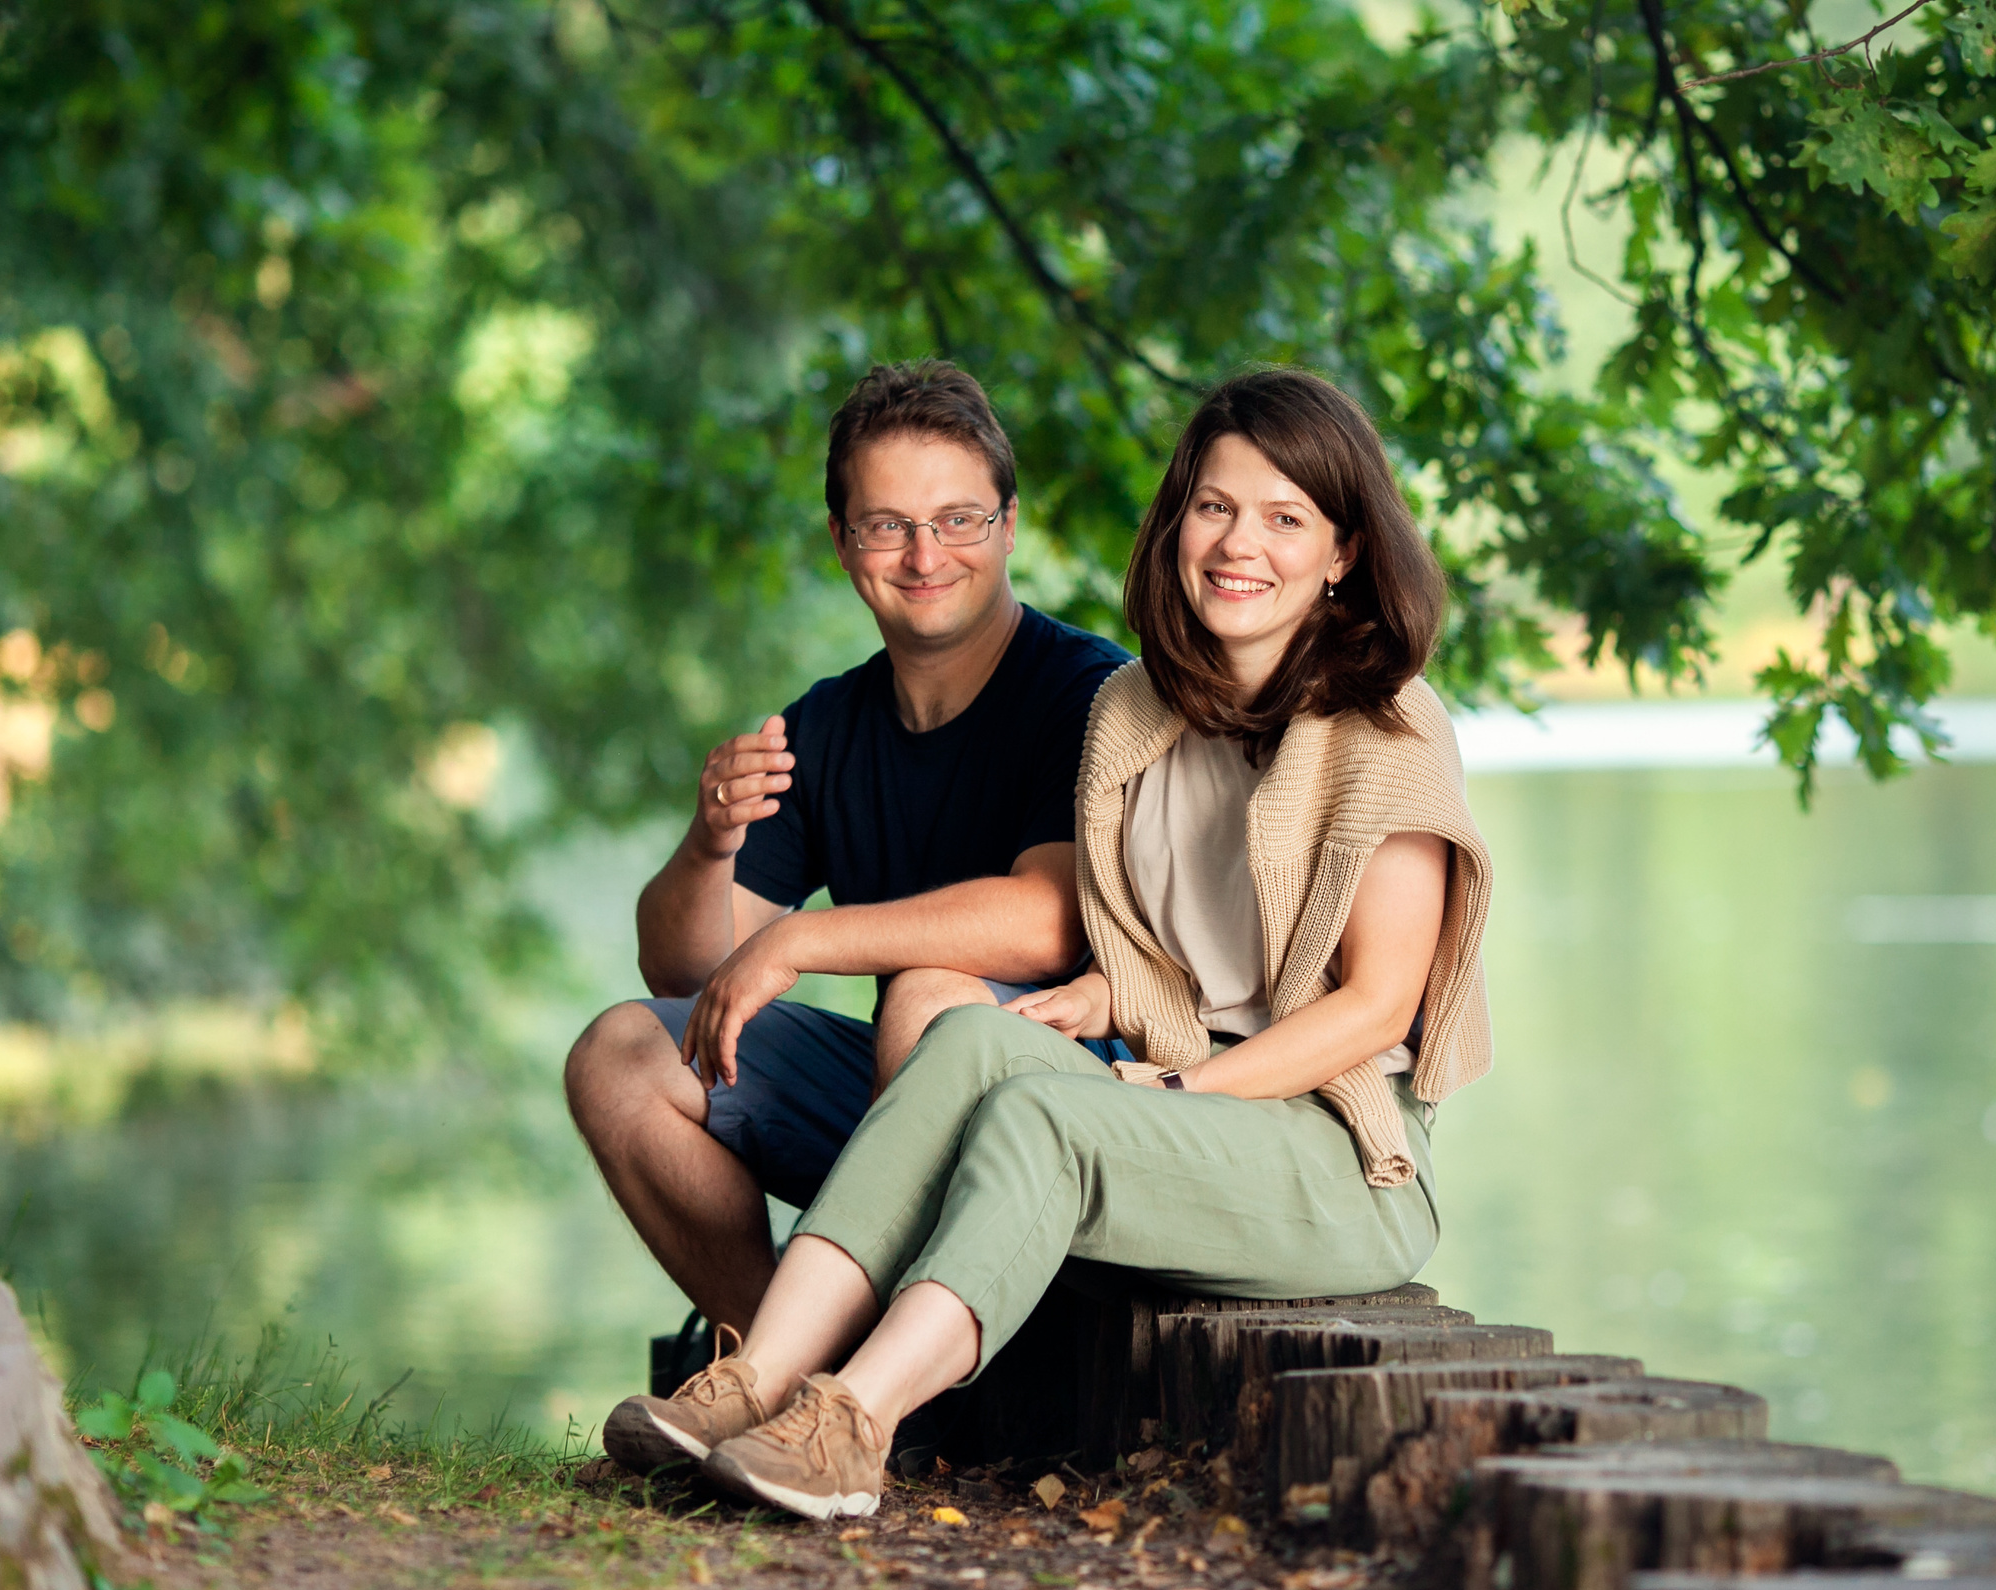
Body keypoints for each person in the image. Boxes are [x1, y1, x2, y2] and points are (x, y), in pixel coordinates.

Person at [604, 367, 1496, 1518]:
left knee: (1043, 1109)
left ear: (1342, 553)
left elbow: (1376, 1009)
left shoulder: (1387, 721)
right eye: (1215, 507)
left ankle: (859, 1422)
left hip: (1339, 1162)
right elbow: (1150, 942)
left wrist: (1178, 1084)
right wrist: (1105, 1002)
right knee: (963, 1043)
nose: (1240, 544)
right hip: (1188, 1108)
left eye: (1286, 519)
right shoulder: (1139, 712)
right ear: (1175, 522)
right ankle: (764, 1379)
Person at [564, 361, 1131, 1470]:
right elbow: (685, 967)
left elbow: (1044, 924)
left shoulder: (1087, 695)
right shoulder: (823, 727)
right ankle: (768, 1376)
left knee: (930, 1006)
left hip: (1059, 1125)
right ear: (841, 542)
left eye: (957, 519)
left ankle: (872, 1401)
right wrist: (710, 841)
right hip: (895, 1107)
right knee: (620, 1053)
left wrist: (802, 938)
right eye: (887, 526)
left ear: (1008, 526)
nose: (925, 557)